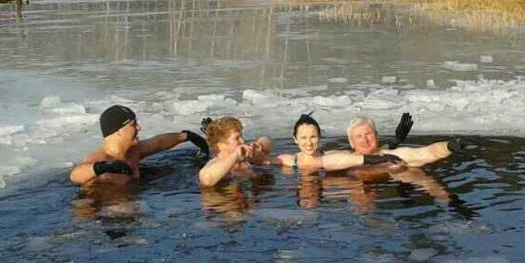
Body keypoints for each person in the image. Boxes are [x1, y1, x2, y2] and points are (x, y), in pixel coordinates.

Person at [70, 104, 209, 185]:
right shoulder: (101, 157)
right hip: (106, 208)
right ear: (119, 131)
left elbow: (158, 143)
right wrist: (104, 167)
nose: (139, 128)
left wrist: (186, 136)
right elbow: (75, 175)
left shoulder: (133, 151)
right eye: (133, 125)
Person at [262, 113, 405, 172]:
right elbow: (261, 160)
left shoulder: (332, 156)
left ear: (319, 137)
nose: (309, 143)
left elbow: (362, 155)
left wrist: (395, 142)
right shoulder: (289, 161)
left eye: (313, 137)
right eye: (303, 138)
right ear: (295, 139)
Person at [346, 114, 460, 168]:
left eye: (368, 134)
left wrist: (448, 146)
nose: (364, 139)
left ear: (377, 136)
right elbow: (328, 161)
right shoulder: (343, 159)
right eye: (358, 136)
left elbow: (426, 152)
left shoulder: (393, 156)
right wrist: (396, 141)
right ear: (351, 142)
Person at [197, 116, 275, 187]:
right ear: (221, 145)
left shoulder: (245, 160)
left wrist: (259, 146)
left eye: (241, 136)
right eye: (237, 138)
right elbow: (207, 179)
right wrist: (235, 155)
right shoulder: (214, 165)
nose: (242, 140)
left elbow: (283, 158)